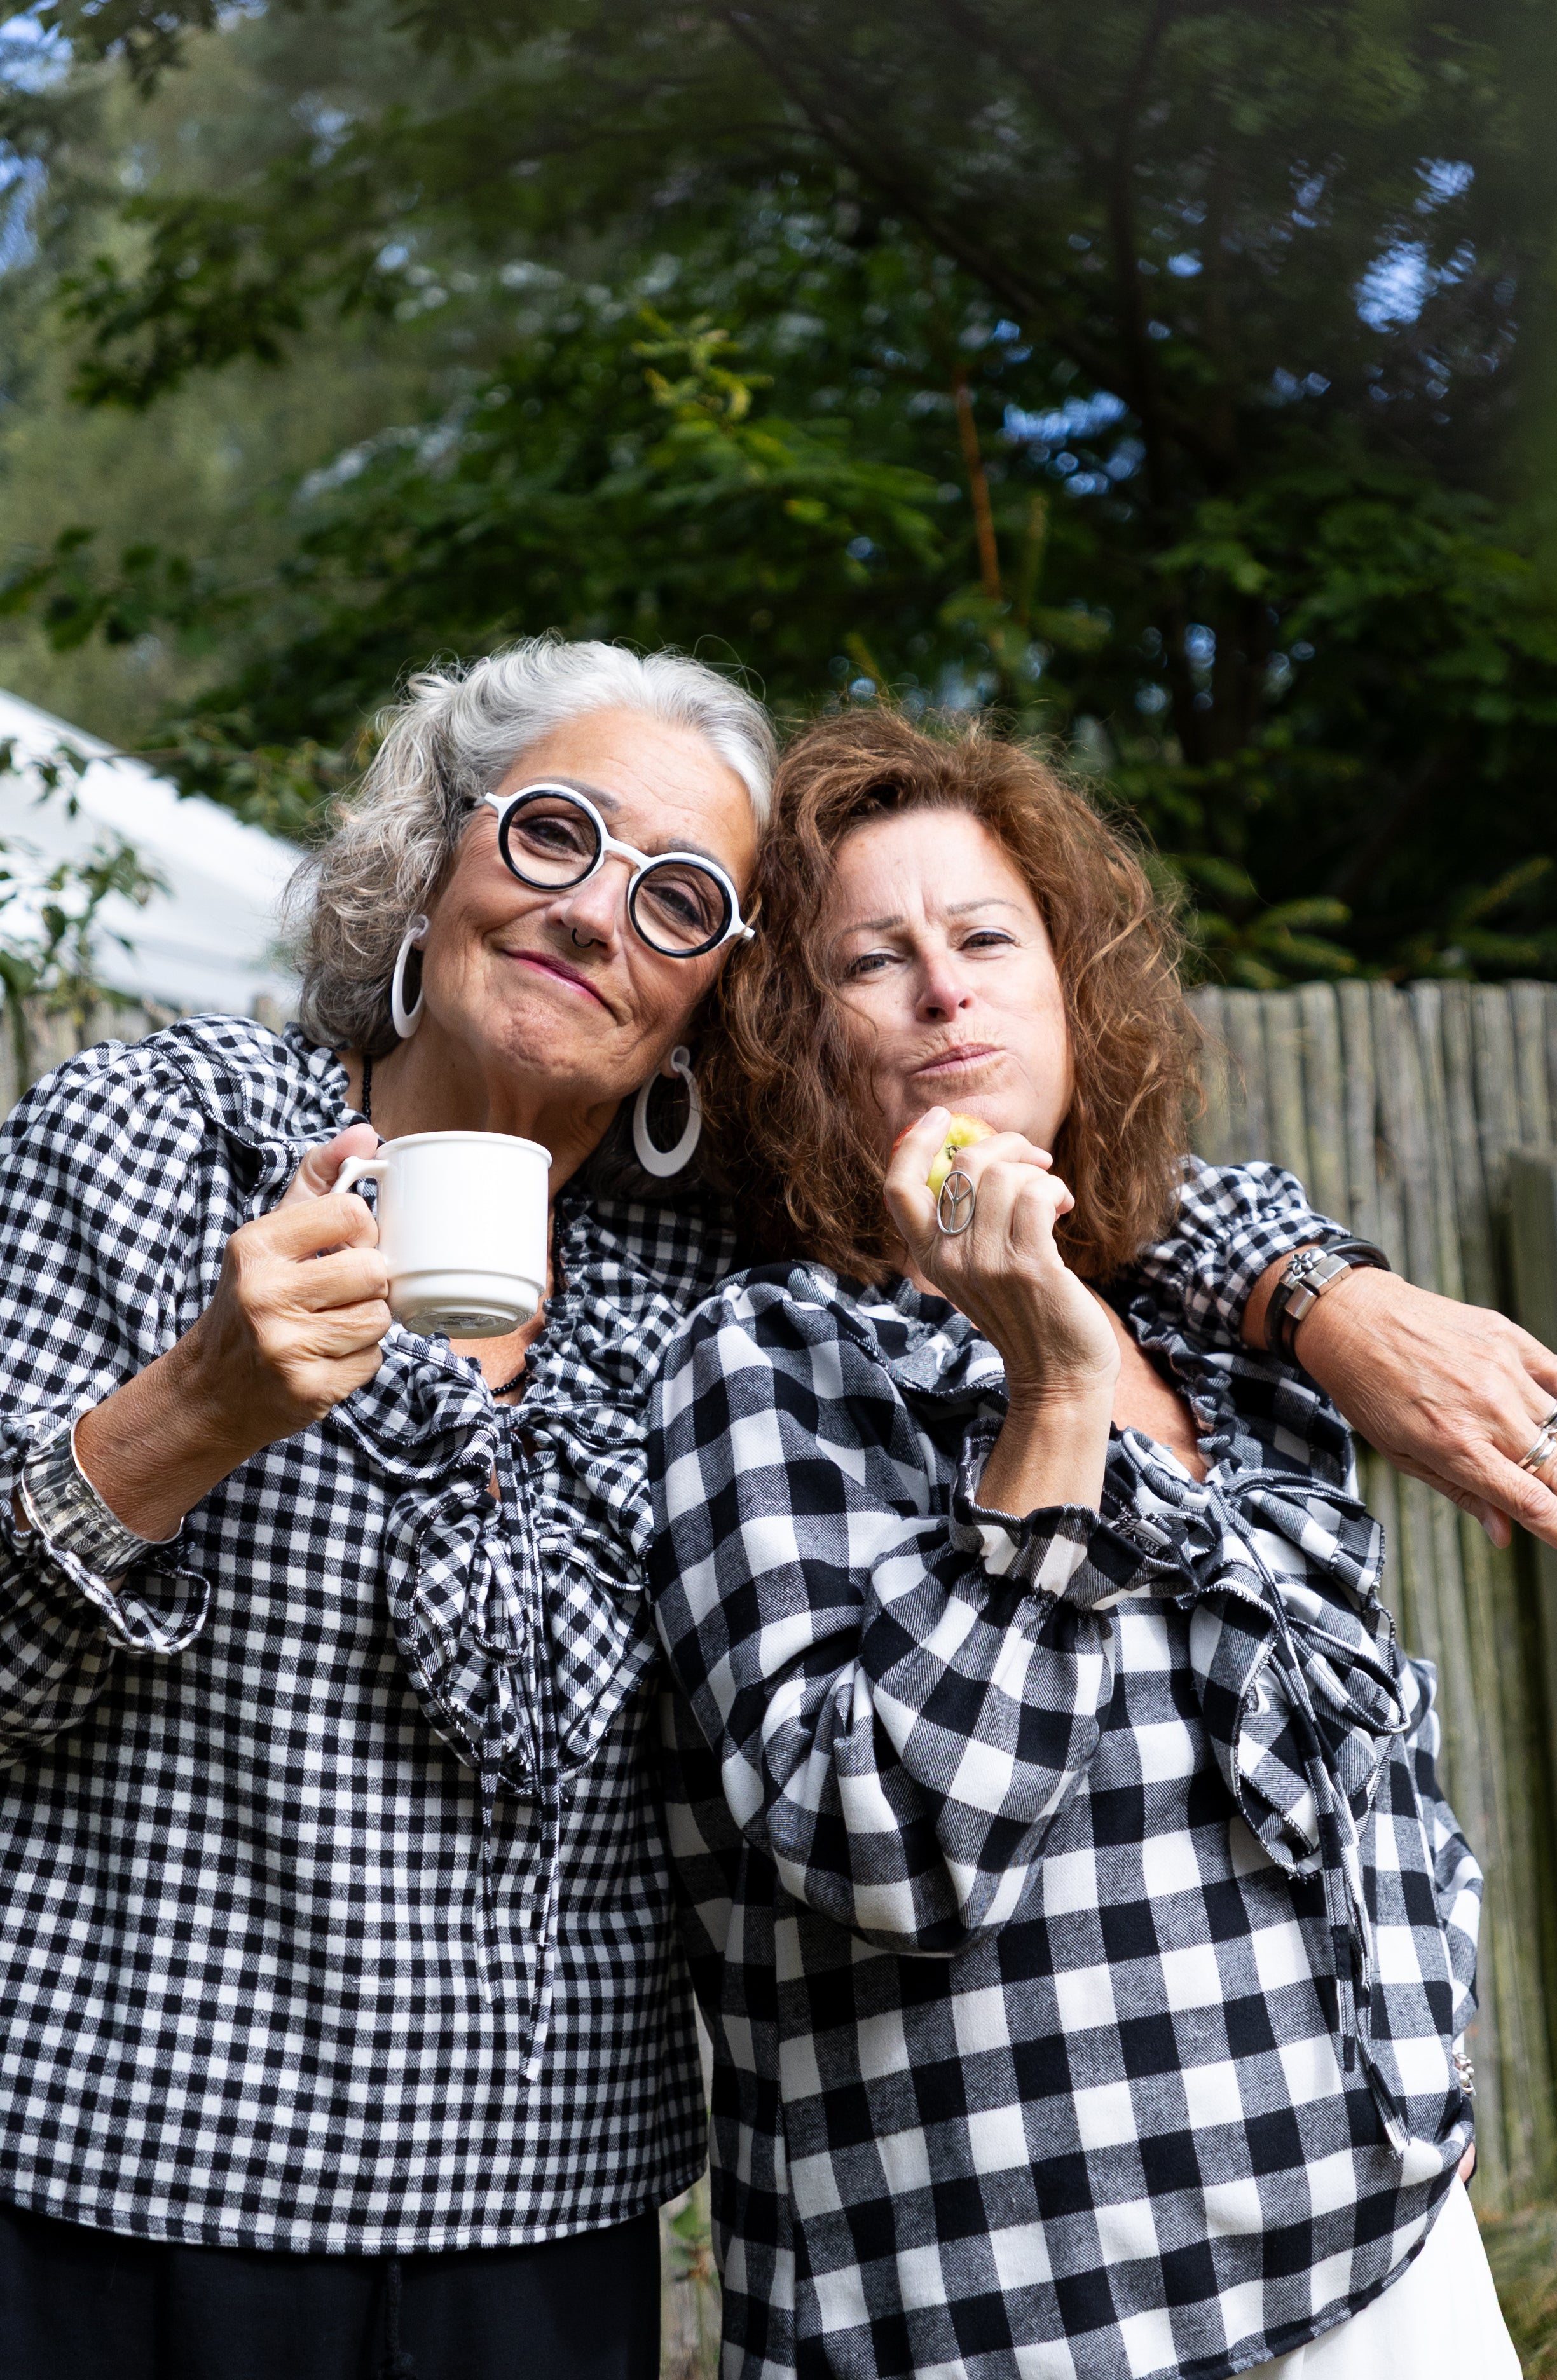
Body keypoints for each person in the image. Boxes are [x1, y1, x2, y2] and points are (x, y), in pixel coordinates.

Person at [648, 709, 1557, 2379]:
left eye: (988, 938)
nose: (947, 992)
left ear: (1074, 993)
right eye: (876, 961)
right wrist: (1055, 1399)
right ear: (792, 1034)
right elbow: (878, 1844)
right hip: (1030, 2312)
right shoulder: (768, 1365)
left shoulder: (1226, 1339)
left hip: (1384, 2254)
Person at [0, 637, 779, 2379]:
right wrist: (199, 1408)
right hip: (114, 2214)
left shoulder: (721, 1279)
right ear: (433, 860)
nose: (598, 915)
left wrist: (1310, 1289)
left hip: (540, 2248)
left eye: (679, 902)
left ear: (715, 994)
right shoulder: (152, 1145)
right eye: (559, 835)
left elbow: (1019, 1128)